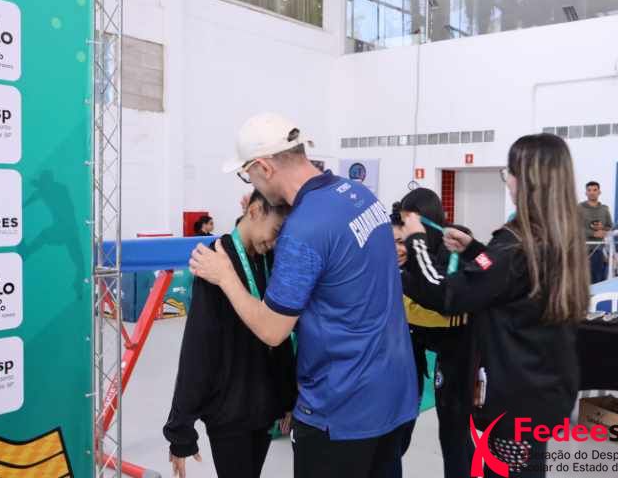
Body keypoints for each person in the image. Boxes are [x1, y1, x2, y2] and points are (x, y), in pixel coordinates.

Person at [188, 112, 418, 478]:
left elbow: (272, 330)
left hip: (340, 410)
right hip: (393, 396)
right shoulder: (360, 195)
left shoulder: (304, 229)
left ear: (264, 167)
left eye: (248, 175)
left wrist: (225, 276)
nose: (251, 184)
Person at [401, 134, 589, 477]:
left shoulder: (515, 247)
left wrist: (415, 241)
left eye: (509, 174)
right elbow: (507, 281)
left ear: (526, 180)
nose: (508, 182)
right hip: (541, 389)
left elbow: (446, 295)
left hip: (513, 399)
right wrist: (475, 250)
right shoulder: (554, 236)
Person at [163, 190, 296, 478]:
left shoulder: (269, 258)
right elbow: (198, 349)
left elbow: (282, 335)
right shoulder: (215, 260)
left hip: (265, 407)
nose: (275, 241)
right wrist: (181, 429)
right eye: (275, 231)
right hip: (229, 413)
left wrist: (288, 397)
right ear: (255, 211)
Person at [393, 191, 475, 478]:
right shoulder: (408, 256)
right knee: (400, 426)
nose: (401, 243)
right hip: (414, 345)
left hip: (458, 349)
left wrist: (403, 285)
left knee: (453, 430)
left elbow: (445, 304)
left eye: (407, 230)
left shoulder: (449, 249)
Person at [578, 181, 613, 283]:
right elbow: (574, 228)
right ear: (586, 193)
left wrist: (603, 229)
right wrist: (593, 233)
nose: (592, 192)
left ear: (599, 192)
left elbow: (609, 226)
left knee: (598, 280)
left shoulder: (604, 209)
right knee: (583, 280)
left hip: (599, 250)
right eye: (589, 190)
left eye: (595, 190)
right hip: (581, 249)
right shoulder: (579, 208)